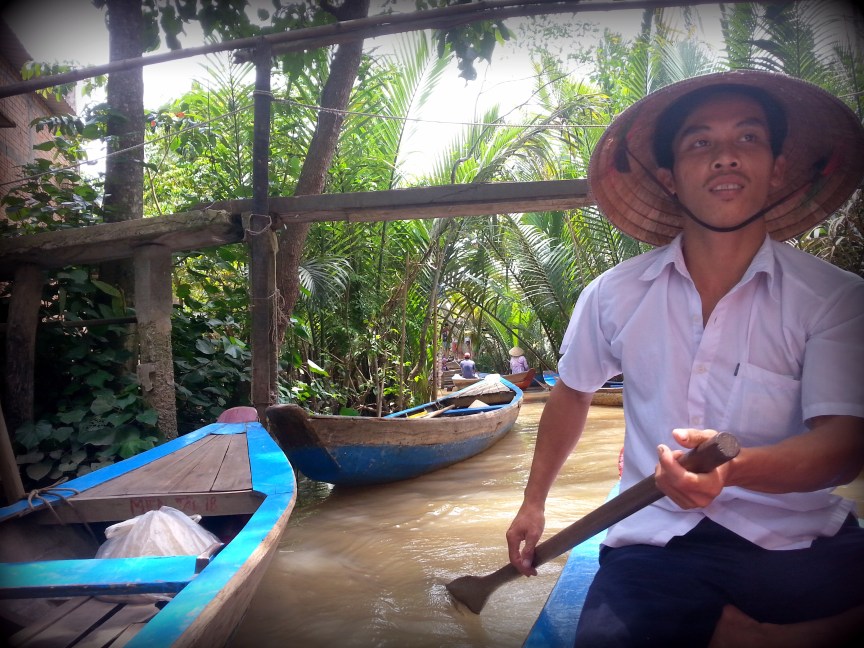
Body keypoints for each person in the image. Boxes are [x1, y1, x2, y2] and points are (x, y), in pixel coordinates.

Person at [505, 70, 864, 647]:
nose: (725, 157)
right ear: (670, 179)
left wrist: (732, 471)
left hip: (794, 535)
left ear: (775, 168)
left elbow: (843, 447)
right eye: (700, 142)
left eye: (747, 139)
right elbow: (571, 393)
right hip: (659, 539)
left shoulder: (835, 297)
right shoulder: (613, 294)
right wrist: (533, 503)